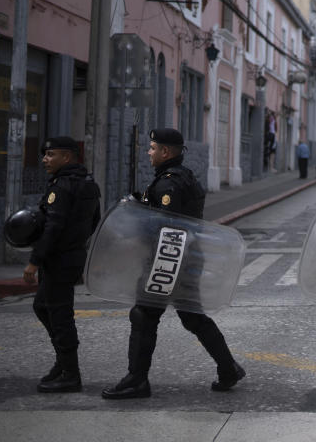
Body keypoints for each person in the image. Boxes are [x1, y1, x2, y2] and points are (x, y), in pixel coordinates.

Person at [102, 128, 245, 399]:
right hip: (186, 259)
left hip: (169, 259)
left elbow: (167, 228)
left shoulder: (168, 184)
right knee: (193, 316)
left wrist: (138, 229)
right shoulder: (181, 177)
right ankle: (228, 368)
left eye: (153, 147)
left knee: (144, 316)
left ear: (165, 152)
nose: (149, 152)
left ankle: (136, 379)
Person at [24, 137, 101, 393]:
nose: (45, 159)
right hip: (73, 256)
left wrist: (34, 261)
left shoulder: (63, 186)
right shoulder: (88, 183)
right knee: (43, 307)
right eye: (45, 154)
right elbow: (94, 221)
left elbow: (52, 227)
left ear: (66, 157)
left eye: (51, 154)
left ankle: (71, 374)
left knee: (60, 315)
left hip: (58, 259)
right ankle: (63, 362)